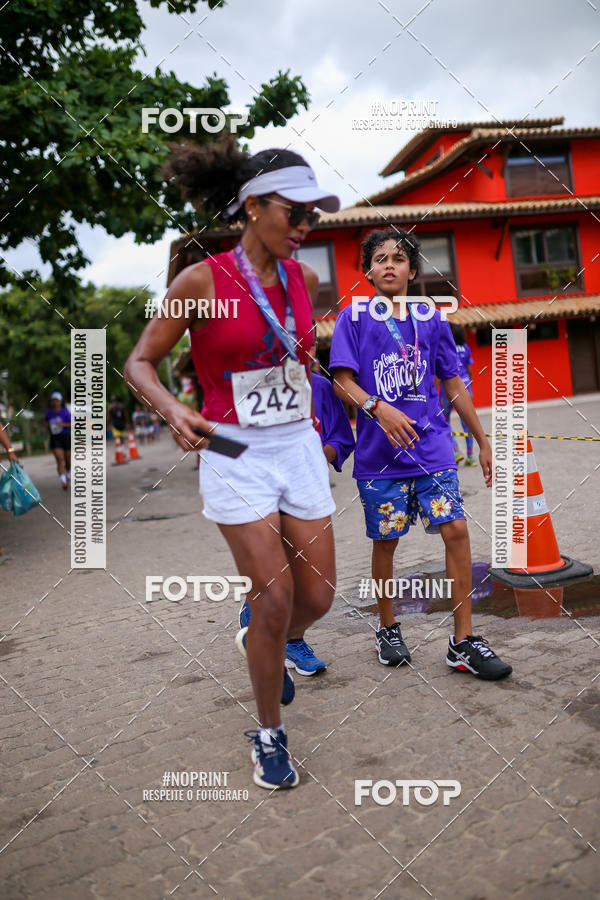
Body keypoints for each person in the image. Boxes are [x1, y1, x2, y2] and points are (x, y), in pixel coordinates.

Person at [124, 137, 341, 789]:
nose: (306, 227)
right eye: (295, 213)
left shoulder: (304, 280)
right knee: (274, 597)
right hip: (232, 449)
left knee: (319, 599)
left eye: (315, 217)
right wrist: (173, 409)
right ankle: (269, 733)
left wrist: (330, 422)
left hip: (296, 446)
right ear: (253, 206)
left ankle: (260, 636)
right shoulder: (202, 280)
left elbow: (298, 365)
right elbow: (139, 361)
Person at [330, 228, 512, 680]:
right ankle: (388, 626)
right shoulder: (353, 319)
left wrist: (482, 440)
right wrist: (378, 408)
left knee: (455, 529)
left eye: (398, 258)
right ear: (367, 270)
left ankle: (463, 641)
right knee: (386, 541)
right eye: (379, 258)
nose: (388, 264)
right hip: (380, 456)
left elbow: (453, 384)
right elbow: (341, 381)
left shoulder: (432, 319)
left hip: (432, 450)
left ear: (412, 270)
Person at [238, 324, 355, 676]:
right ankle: (259, 615)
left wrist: (319, 452)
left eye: (303, 340)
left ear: (313, 347)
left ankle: (291, 639)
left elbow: (342, 439)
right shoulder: (253, 390)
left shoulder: (322, 388)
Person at [440, 323, 475, 465]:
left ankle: (456, 450)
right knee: (468, 422)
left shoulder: (446, 348)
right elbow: (470, 369)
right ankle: (471, 457)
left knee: (443, 420)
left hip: (447, 390)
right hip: (466, 387)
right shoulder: (466, 348)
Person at [44, 392, 71, 490]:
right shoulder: (48, 413)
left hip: (65, 436)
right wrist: (47, 425)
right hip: (55, 437)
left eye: (57, 400)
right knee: (60, 459)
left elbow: (73, 424)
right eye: (54, 400)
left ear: (60, 401)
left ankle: (68, 473)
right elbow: (46, 423)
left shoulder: (65, 412)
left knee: (68, 460)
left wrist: (63, 425)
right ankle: (64, 481)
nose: (55, 402)